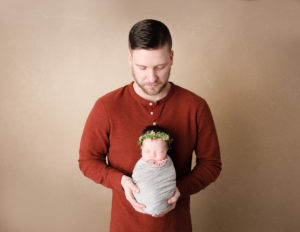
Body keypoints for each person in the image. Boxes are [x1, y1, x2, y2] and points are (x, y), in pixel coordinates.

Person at [79, 19, 222, 232]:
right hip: (124, 226)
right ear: (130, 58)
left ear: (171, 58)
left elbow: (211, 164)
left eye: (160, 67)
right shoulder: (106, 106)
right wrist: (120, 181)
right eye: (142, 67)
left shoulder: (195, 107)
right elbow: (87, 160)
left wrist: (178, 189)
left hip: (176, 226)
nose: (151, 77)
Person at [132, 125, 176, 216]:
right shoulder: (141, 165)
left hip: (167, 202)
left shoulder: (167, 163)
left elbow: (170, 177)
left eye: (159, 152)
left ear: (167, 149)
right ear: (141, 149)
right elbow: (136, 177)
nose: (153, 155)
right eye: (147, 151)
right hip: (137, 208)